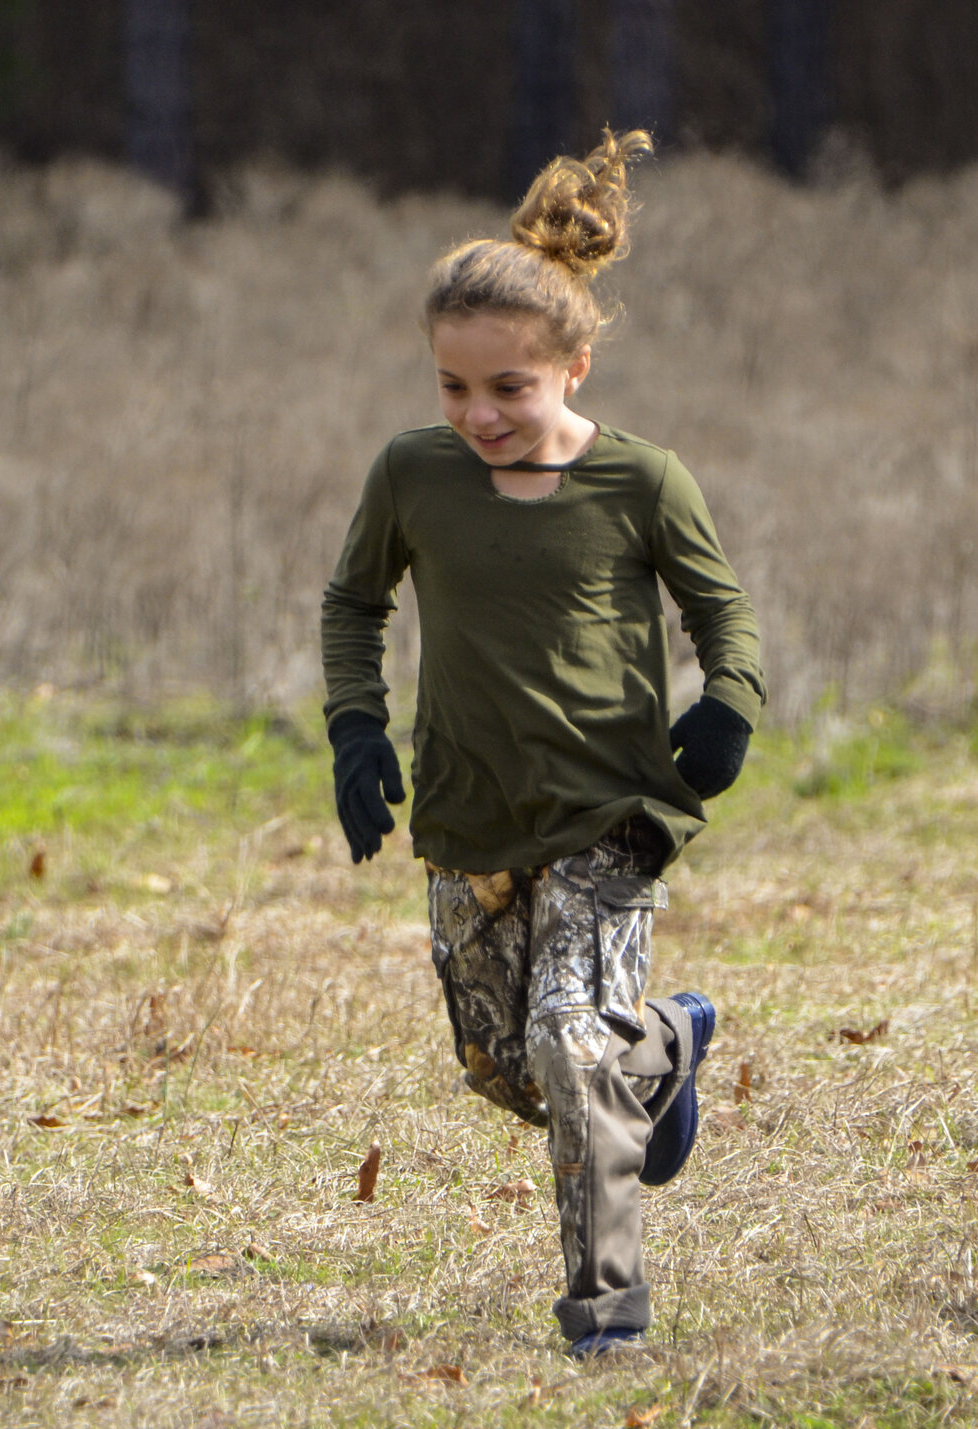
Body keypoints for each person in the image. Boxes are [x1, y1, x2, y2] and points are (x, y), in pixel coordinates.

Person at [318, 129, 765, 1358]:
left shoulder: (641, 482)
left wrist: (728, 699)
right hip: (468, 814)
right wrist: (355, 729)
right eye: (454, 389)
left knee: (570, 1054)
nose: (479, 415)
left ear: (571, 367)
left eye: (507, 389)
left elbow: (721, 611)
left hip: (609, 812)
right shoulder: (413, 476)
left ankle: (605, 1315)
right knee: (504, 1070)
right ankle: (667, 1044)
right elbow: (353, 607)